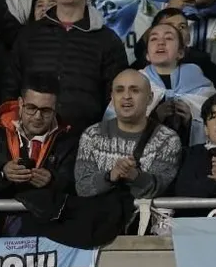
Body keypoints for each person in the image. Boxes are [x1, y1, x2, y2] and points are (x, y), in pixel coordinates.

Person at [3, 0, 128, 132]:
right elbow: (11, 85)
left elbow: (115, 98)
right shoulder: (30, 34)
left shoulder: (107, 40)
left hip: (85, 137)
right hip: (30, 136)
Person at [0, 75, 78, 234]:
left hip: (44, 233)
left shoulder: (68, 140)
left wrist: (52, 180)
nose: (37, 116)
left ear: (56, 108)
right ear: (20, 104)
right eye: (31, 108)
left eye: (46, 110)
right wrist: (1, 173)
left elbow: (78, 185)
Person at [75, 69, 182, 199]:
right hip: (98, 217)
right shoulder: (92, 135)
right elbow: (82, 188)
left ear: (150, 98)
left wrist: (135, 176)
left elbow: (160, 189)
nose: (126, 96)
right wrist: (111, 176)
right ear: (112, 98)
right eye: (119, 90)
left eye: (135, 90)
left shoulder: (167, 139)